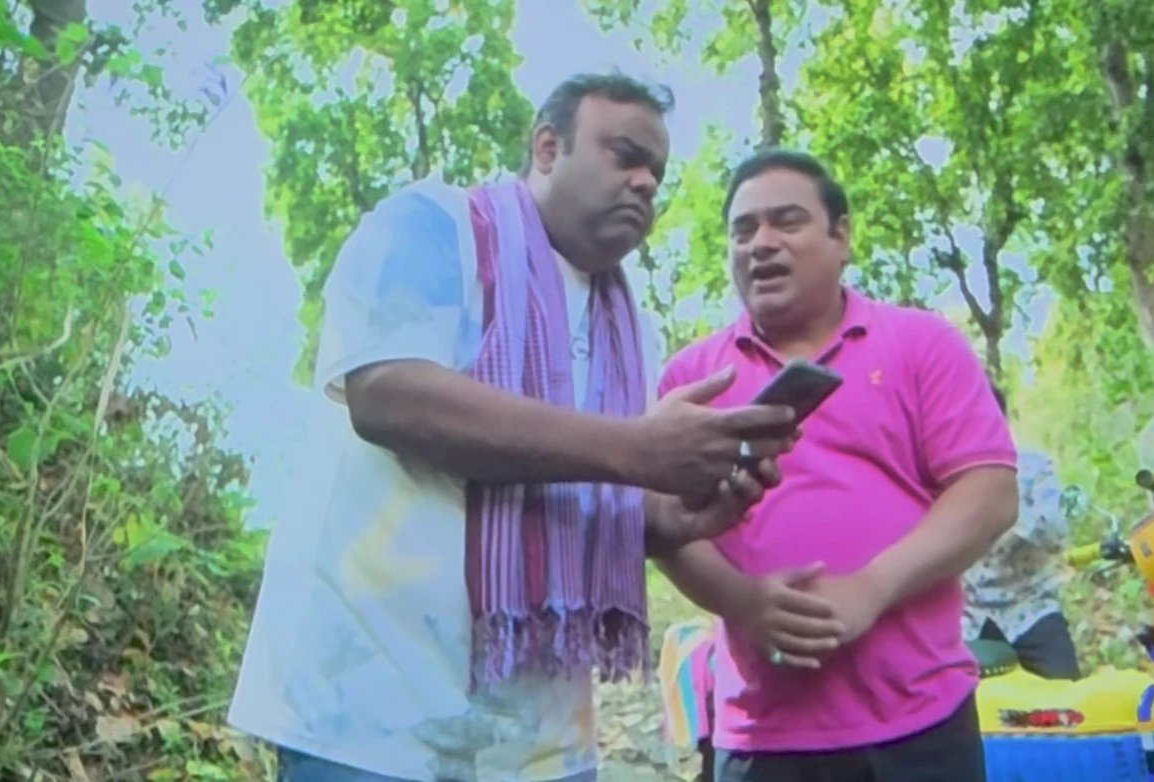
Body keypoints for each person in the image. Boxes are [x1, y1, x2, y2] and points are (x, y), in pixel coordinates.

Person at [225, 73, 802, 782]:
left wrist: (669, 519)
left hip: (543, 747)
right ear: (548, 148)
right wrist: (633, 449)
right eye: (625, 155)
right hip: (366, 719)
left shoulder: (630, 330)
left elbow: (586, 490)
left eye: (657, 173)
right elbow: (385, 395)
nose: (645, 183)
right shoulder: (434, 226)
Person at [652, 149, 1021, 782]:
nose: (761, 244)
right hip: (760, 733)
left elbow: (989, 491)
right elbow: (662, 525)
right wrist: (745, 603)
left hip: (923, 722)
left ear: (841, 235)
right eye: (743, 230)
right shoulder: (694, 378)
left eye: (787, 221)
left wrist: (872, 587)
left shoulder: (921, 343)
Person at [961, 389, 1085, 681]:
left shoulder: (1033, 467)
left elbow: (1056, 535)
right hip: (967, 621)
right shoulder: (940, 475)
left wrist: (1007, 509)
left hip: (1031, 610)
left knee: (1068, 700)